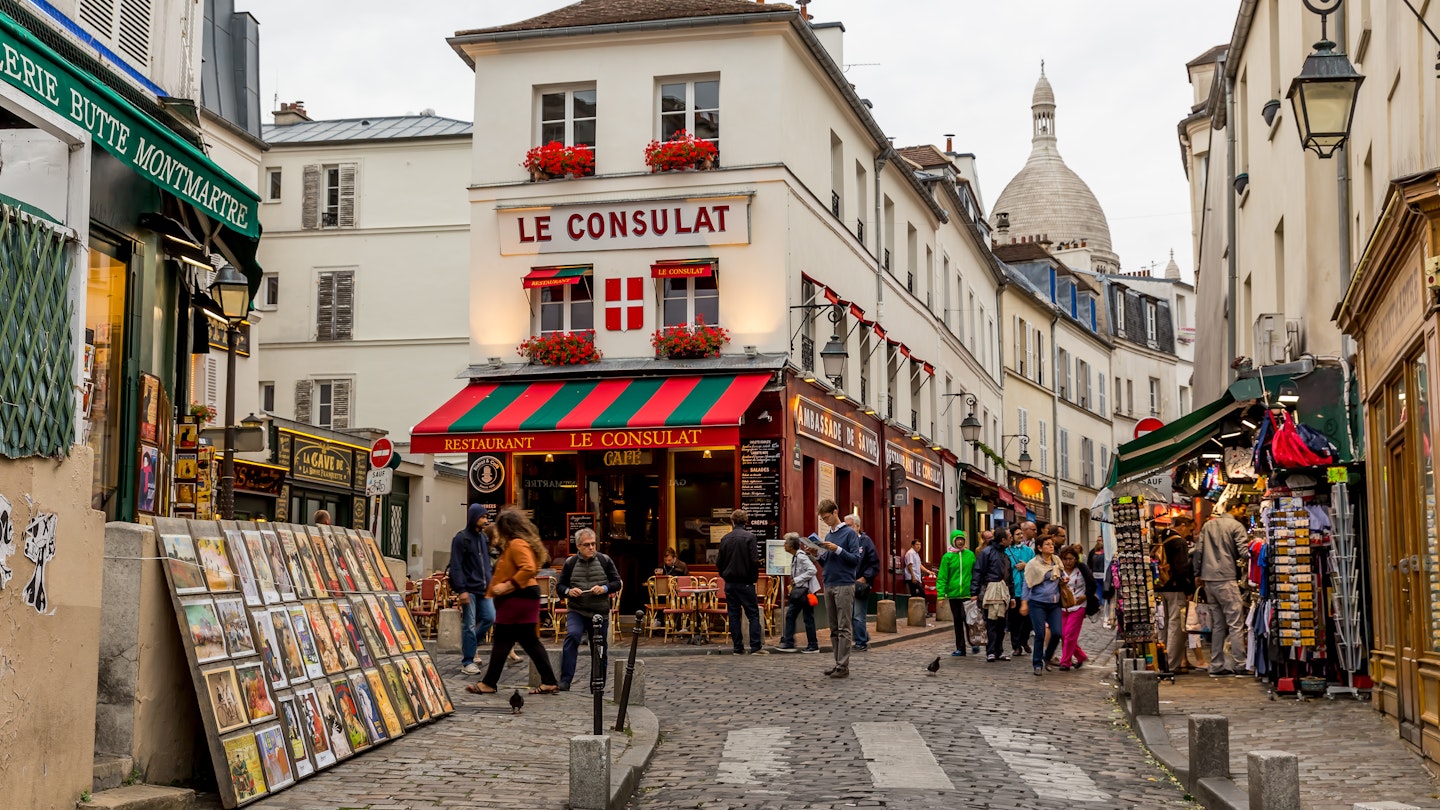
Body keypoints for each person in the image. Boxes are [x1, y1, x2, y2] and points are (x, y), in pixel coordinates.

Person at [465, 509, 559, 696]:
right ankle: (548, 681)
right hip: (521, 596)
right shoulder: (517, 544)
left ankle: (489, 683)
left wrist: (507, 585)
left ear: (506, 528)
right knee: (527, 640)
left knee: (504, 640)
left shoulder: (517, 544)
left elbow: (529, 568)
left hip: (517, 597)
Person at [556, 528, 622, 691]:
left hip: (599, 612)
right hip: (577, 610)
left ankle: (597, 683)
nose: (591, 547)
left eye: (593, 544)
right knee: (572, 636)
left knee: (599, 647)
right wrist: (568, 591)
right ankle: (565, 681)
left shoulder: (604, 560)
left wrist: (605, 588)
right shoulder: (570, 563)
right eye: (587, 545)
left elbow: (617, 582)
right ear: (578, 546)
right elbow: (559, 586)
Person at [1192, 501, 1251, 677]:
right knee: (1235, 623)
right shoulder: (1236, 526)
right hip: (1226, 578)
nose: (1244, 511)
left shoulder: (1208, 525)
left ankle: (1216, 665)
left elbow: (1198, 551)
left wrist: (1197, 573)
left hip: (1209, 579)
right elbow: (1244, 553)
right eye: (1242, 507)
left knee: (1217, 624)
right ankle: (1240, 664)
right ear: (1233, 508)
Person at [814, 499, 861, 678]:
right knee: (833, 627)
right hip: (830, 582)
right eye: (823, 519)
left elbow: (855, 559)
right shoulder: (828, 536)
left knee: (844, 626)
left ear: (835, 512)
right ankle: (837, 663)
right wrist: (817, 555)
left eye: (827, 517)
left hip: (844, 583)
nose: (825, 521)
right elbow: (827, 562)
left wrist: (838, 549)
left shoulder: (849, 534)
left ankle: (843, 666)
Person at [448, 504, 493, 675]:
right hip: (469, 589)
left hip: (484, 589)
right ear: (474, 518)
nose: (485, 521)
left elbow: (486, 564)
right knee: (469, 624)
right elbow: (456, 566)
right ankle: (467, 661)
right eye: (483, 517)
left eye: (486, 517)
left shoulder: (483, 538)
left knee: (490, 617)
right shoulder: (461, 538)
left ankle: (471, 645)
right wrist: (461, 590)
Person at [716, 509, 765, 655]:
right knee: (753, 614)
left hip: (730, 583)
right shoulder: (750, 537)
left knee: (733, 615)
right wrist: (753, 578)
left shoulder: (725, 539)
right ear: (746, 521)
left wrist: (724, 575)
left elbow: (719, 562)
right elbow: (754, 560)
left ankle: (738, 647)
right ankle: (755, 646)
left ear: (732, 521)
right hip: (746, 582)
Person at [1155, 516, 1196, 673]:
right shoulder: (1179, 542)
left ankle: (1161, 662)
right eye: (1190, 530)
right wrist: (1187, 589)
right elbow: (1181, 568)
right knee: (1175, 626)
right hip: (1174, 588)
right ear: (1183, 526)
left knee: (1162, 626)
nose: (1190, 534)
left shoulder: (1160, 537)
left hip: (1159, 588)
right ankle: (1171, 664)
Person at [1021, 535, 1065, 675]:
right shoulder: (1033, 564)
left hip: (1054, 603)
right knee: (1040, 634)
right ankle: (1037, 663)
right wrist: (1024, 603)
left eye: (1052, 544)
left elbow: (1062, 576)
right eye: (1047, 544)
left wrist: (1064, 579)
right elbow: (1027, 584)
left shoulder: (1056, 560)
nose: (1051, 546)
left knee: (1057, 632)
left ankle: (1048, 657)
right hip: (1037, 603)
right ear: (1040, 548)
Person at [971, 528, 1014, 662]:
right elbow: (978, 572)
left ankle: (999, 650)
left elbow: (1009, 576)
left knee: (1002, 622)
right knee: (991, 621)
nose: (1011, 539)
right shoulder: (986, 553)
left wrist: (1011, 595)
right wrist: (975, 592)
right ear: (1003, 540)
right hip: (990, 590)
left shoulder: (1005, 554)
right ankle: (991, 651)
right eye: (1009, 537)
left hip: (1003, 591)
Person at [776, 533, 820, 652]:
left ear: (790, 546)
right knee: (800, 616)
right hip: (802, 591)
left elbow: (812, 570)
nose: (784, 545)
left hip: (805, 592)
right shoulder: (796, 556)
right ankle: (807, 643)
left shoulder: (800, 556)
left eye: (785, 543)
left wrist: (797, 580)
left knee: (800, 616)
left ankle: (806, 644)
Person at [935, 530, 975, 656]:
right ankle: (961, 648)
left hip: (968, 594)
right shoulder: (947, 557)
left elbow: (975, 574)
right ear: (953, 540)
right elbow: (942, 577)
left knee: (969, 620)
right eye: (958, 539)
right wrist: (941, 595)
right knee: (958, 621)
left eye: (962, 539)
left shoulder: (970, 555)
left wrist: (976, 591)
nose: (960, 542)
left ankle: (973, 642)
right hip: (954, 595)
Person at [846, 514, 880, 651]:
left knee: (858, 614)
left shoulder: (866, 542)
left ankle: (861, 642)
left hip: (860, 585)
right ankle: (863, 636)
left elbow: (874, 564)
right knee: (850, 615)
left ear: (857, 526)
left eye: (849, 526)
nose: (846, 529)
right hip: (846, 583)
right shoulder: (845, 542)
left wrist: (864, 577)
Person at [1057, 545, 1092, 670]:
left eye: (1071, 559)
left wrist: (1085, 596)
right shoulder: (1059, 570)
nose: (1068, 562)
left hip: (1078, 605)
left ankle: (1065, 661)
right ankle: (1081, 656)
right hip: (1063, 606)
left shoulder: (1081, 569)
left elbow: (1091, 583)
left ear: (1075, 559)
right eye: (1065, 559)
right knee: (1062, 634)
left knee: (1070, 634)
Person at [1004, 530, 1036, 656]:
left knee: (1028, 620)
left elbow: (1035, 566)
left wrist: (1026, 565)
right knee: (1014, 620)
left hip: (1028, 589)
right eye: (1017, 534)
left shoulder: (1029, 551)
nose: (1020, 536)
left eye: (1021, 534)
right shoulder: (1007, 551)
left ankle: (1024, 640)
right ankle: (1016, 645)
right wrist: (1014, 567)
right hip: (1014, 590)